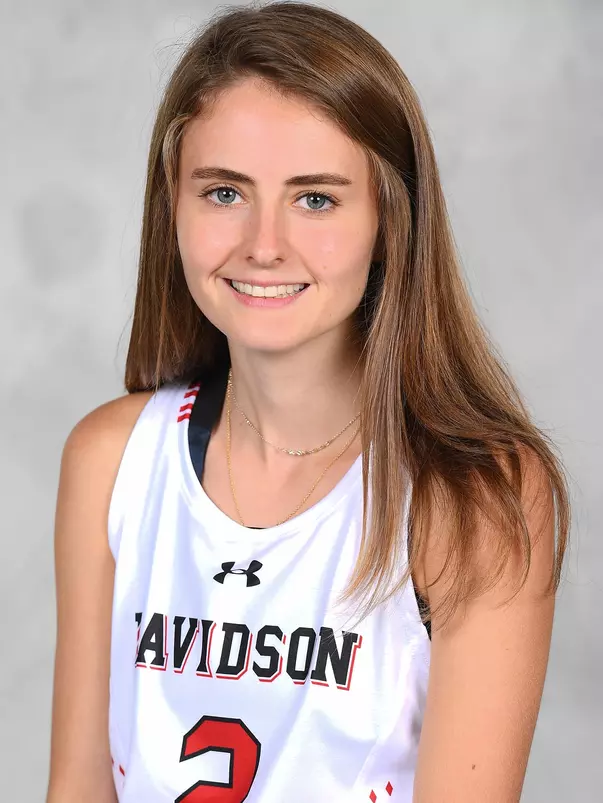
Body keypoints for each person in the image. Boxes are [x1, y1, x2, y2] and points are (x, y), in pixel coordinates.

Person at [46, 2, 571, 802]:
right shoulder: (111, 461)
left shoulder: (471, 495)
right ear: (173, 207)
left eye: (315, 199)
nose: (263, 243)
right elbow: (79, 785)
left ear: (389, 221)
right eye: (223, 192)